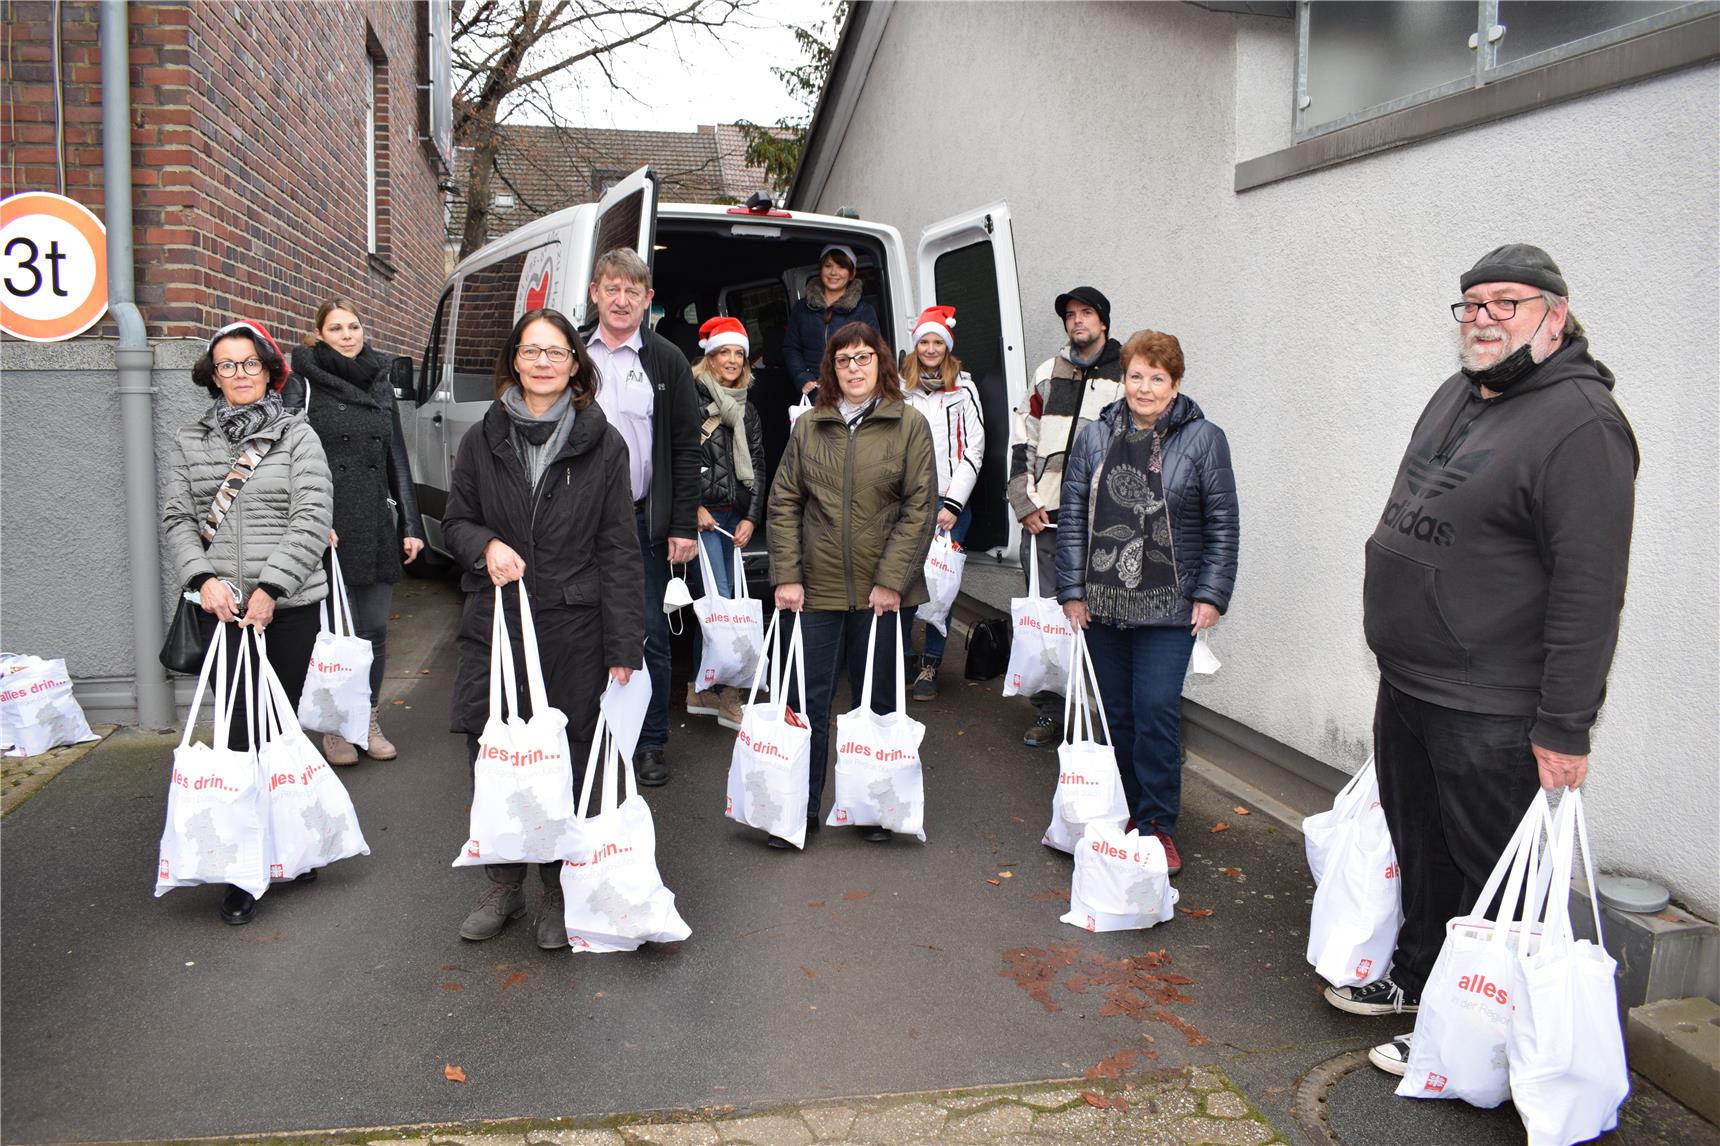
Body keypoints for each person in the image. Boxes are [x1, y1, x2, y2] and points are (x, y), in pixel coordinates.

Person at [1330, 245, 1638, 1078]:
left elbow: (1589, 589)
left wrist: (1565, 724)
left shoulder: (1582, 425)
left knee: (1485, 870)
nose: (1485, 318)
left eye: (1508, 302)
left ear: (1555, 316)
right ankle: (1424, 984)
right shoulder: (1460, 392)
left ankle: (1485, 1039)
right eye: (1472, 305)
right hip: (1412, 681)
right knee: (1420, 845)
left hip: (1491, 703)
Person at [442, 307, 644, 951]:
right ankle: (504, 883)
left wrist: (623, 642)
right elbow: (455, 520)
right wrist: (486, 546)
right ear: (514, 360)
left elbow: (619, 546)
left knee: (567, 757)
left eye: (556, 352)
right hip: (495, 622)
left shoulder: (602, 442)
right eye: (532, 351)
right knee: (492, 751)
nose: (543, 362)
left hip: (572, 624)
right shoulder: (483, 437)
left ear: (574, 364)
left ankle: (558, 887)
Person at [162, 320, 334, 926]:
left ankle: (289, 844)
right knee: (238, 734)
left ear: (269, 370)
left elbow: (312, 516)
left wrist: (272, 588)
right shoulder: (191, 439)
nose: (238, 374)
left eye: (249, 364)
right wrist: (203, 581)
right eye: (226, 365)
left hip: (286, 611)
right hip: (221, 611)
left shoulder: (298, 436)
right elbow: (178, 518)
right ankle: (243, 868)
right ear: (212, 374)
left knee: (279, 731)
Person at [1056, 330, 1237, 878]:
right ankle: (1127, 811)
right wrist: (1071, 591)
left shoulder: (1204, 439)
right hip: (1103, 603)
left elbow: (1223, 523)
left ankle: (1158, 826)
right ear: (1123, 378)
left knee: (1155, 711)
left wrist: (1210, 594)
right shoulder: (1093, 437)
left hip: (1170, 605)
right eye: (1136, 375)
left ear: (1175, 384)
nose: (1145, 387)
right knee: (1118, 716)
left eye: (1158, 377)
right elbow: (1072, 518)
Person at [767, 321, 937, 847]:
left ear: (881, 363)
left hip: (881, 593)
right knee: (804, 703)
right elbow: (784, 502)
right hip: (814, 588)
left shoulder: (909, 424)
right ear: (831, 368)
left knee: (879, 701)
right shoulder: (809, 426)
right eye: (845, 360)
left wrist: (892, 581)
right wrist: (788, 575)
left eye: (865, 357)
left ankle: (872, 808)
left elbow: (920, 508)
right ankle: (798, 812)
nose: (855, 368)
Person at [288, 298, 427, 765]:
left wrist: (410, 523)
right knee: (331, 634)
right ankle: (333, 727)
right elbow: (285, 455)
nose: (347, 335)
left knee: (372, 632)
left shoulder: (378, 378)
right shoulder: (303, 381)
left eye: (354, 326)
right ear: (319, 334)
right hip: (326, 523)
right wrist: (308, 518)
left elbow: (397, 458)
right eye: (336, 328)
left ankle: (366, 717)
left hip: (372, 520)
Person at [582, 248, 702, 787]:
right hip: (575, 524)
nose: (622, 299)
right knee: (582, 630)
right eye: (612, 288)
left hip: (640, 523)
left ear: (648, 299)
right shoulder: (571, 354)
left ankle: (650, 743)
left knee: (650, 635)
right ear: (595, 293)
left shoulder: (667, 360)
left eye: (633, 291)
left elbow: (684, 447)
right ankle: (591, 738)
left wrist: (680, 524)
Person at [1008, 286, 1125, 747]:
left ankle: (1112, 721)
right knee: (1047, 625)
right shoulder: (1046, 374)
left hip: (1105, 526)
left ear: (1104, 321)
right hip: (1046, 519)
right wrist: (1024, 502)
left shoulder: (1125, 376)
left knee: (1110, 624)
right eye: (1070, 315)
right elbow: (1023, 441)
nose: (1077, 322)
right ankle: (1050, 713)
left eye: (1086, 313)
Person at [899, 305, 986, 701]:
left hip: (950, 503)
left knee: (941, 587)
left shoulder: (964, 389)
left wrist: (952, 504)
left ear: (947, 348)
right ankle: (901, 658)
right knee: (899, 582)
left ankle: (931, 665)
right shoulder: (899, 390)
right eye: (924, 342)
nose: (931, 349)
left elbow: (975, 449)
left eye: (938, 342)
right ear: (915, 347)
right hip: (908, 502)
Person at [685, 316, 767, 730]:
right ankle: (728, 695)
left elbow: (759, 465)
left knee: (720, 607)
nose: (733, 360)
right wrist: (690, 507)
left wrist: (753, 517)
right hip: (703, 519)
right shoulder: (690, 399)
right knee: (722, 604)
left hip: (734, 517)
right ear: (710, 357)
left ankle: (699, 687)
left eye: (739, 353)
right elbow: (679, 458)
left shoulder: (746, 406)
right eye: (725, 353)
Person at [782, 244, 882, 398]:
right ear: (820, 269)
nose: (833, 272)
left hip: (851, 391)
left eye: (841, 266)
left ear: (852, 273)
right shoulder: (802, 308)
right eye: (828, 265)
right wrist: (802, 377)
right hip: (813, 392)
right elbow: (791, 347)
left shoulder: (864, 311)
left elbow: (873, 352)